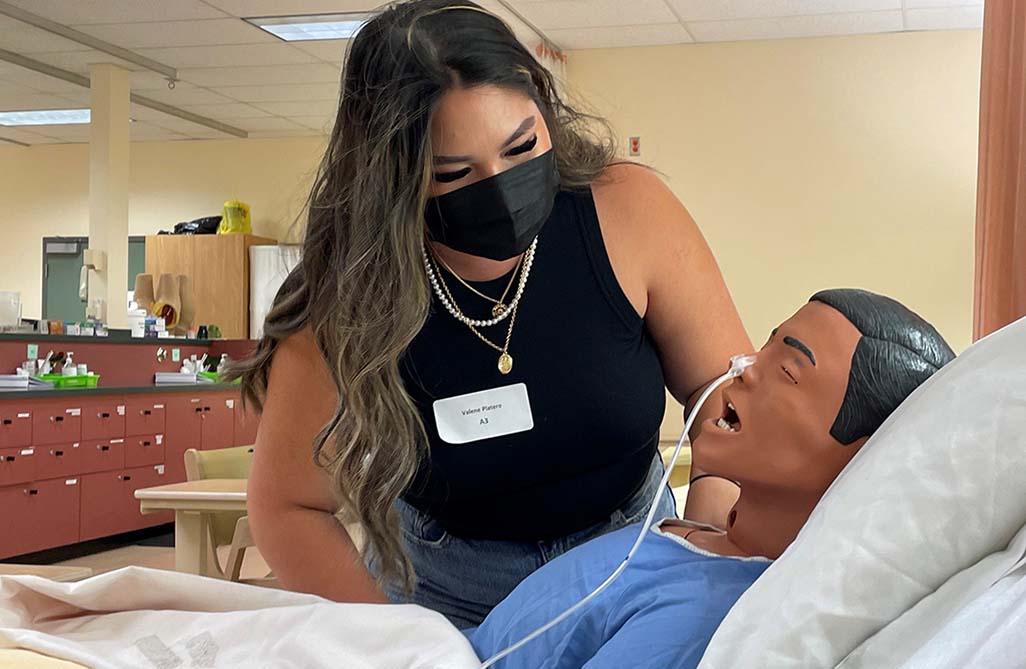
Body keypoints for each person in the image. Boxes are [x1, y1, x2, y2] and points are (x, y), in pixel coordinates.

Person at [231, 0, 750, 628]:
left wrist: (709, 530)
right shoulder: (346, 295)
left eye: (522, 146)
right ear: (392, 176)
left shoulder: (630, 209)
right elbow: (288, 507)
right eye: (454, 173)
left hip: (632, 557)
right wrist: (394, 644)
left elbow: (725, 398)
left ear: (543, 106)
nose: (501, 186)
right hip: (446, 587)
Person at [468, 289, 956, 668]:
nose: (741, 369)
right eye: (763, 347)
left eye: (786, 371)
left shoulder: (703, 621)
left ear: (862, 458)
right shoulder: (709, 542)